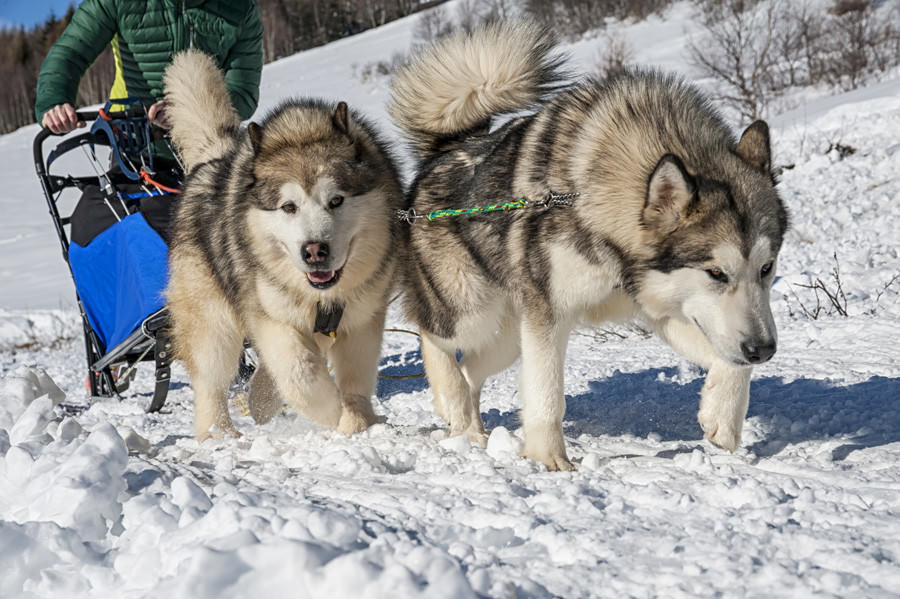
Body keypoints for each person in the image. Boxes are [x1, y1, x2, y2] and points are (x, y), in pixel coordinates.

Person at [35, 0, 263, 135]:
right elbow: (70, 53)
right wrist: (54, 101)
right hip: (133, 143)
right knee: (93, 216)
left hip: (209, 149)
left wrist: (188, 111)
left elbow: (243, 93)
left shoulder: (240, 9)